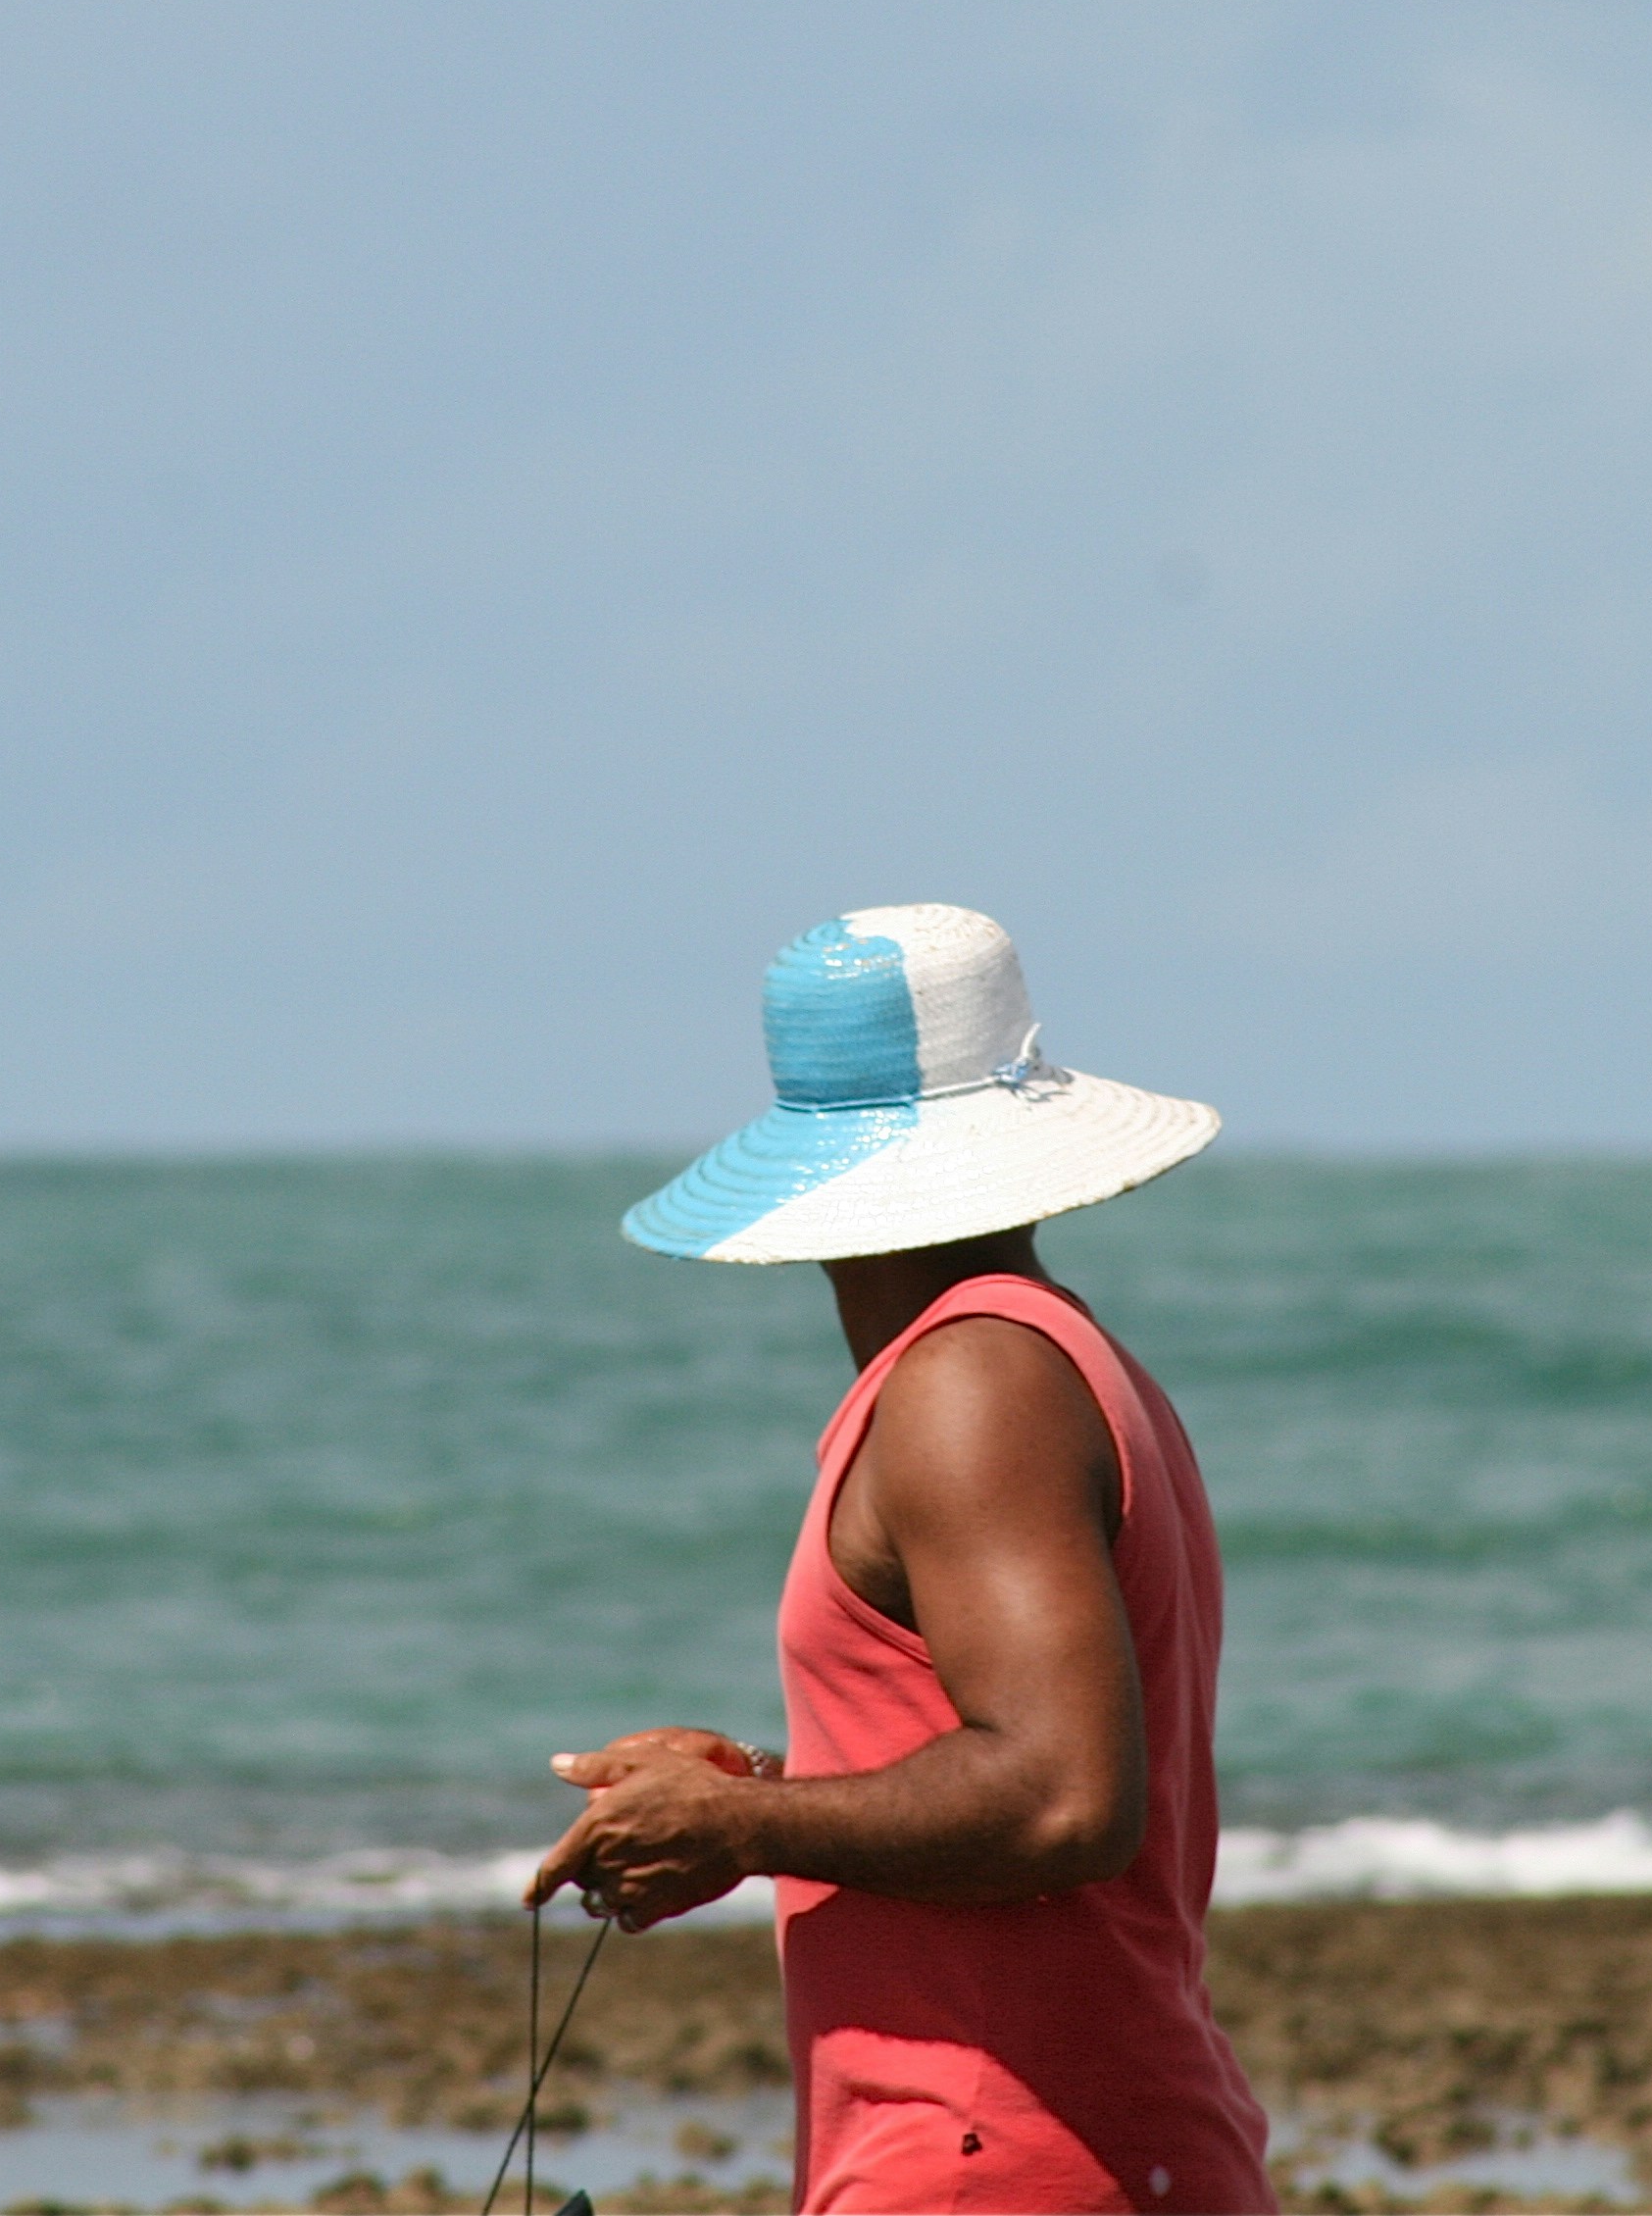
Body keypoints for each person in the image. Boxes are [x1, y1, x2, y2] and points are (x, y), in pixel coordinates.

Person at [528, 905, 1275, 2215]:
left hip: (1002, 2157)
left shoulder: (973, 1383)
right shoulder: (1038, 1359)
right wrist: (753, 1786)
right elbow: (991, 1747)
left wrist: (748, 1824)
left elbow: (1061, 1795)